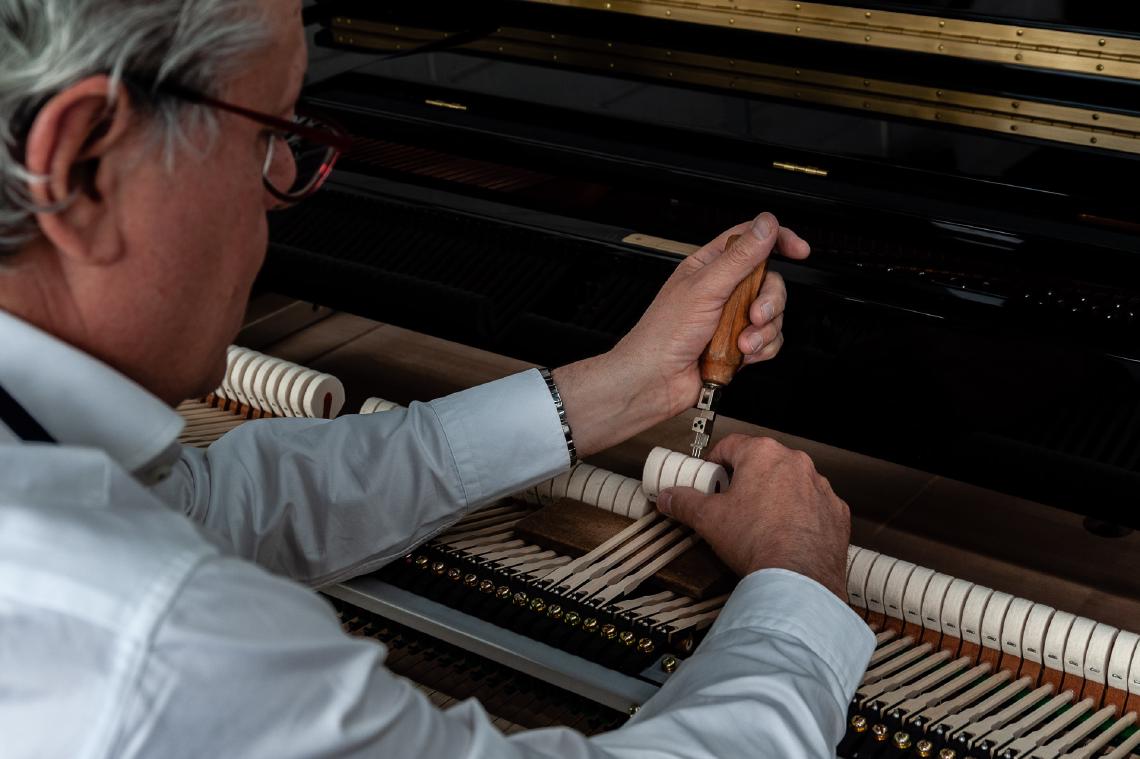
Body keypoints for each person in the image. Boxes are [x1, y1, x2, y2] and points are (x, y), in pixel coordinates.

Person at [0, 1, 875, 757]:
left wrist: (619, 387)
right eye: (269, 135)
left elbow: (201, 503)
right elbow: (158, 592)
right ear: (79, 164)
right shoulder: (146, 641)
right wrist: (797, 587)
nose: (280, 184)